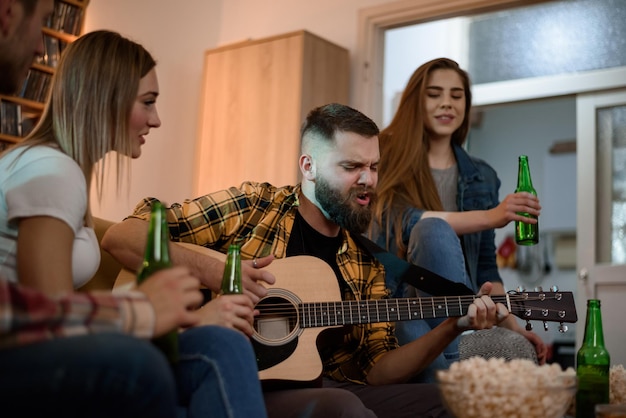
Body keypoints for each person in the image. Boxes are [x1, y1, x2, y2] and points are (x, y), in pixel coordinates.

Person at [102, 102, 510, 418]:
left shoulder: (366, 262)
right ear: (308, 166)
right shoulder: (256, 205)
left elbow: (379, 370)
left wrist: (453, 326)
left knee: (456, 397)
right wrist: (222, 272)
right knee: (344, 410)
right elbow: (123, 236)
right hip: (233, 377)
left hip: (323, 385)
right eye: (352, 167)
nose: (368, 180)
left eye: (373, 167)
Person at [0, 21, 267, 418]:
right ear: (106, 98)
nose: (156, 120)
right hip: (24, 358)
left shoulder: (53, 167)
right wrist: (189, 320)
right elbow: (52, 324)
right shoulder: (54, 172)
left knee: (221, 347)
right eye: (147, 102)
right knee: (219, 347)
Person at [370, 57, 547, 379]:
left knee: (522, 354)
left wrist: (514, 328)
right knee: (432, 230)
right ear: (416, 101)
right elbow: (403, 219)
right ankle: (459, 364)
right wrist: (490, 217)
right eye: (434, 94)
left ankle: (461, 359)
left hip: (466, 314)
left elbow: (484, 268)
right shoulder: (383, 154)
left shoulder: (482, 175)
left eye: (456, 95)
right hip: (400, 307)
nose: (446, 104)